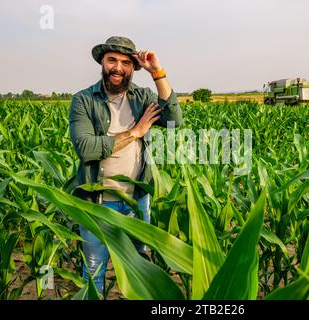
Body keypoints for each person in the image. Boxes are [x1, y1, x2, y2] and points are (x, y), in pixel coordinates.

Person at [68, 36, 183, 294]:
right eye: (112, 60)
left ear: (132, 68)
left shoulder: (142, 97)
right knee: (94, 273)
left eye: (125, 62)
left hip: (136, 201)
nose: (118, 67)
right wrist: (136, 131)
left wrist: (157, 72)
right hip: (96, 203)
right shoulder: (84, 101)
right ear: (102, 63)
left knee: (139, 271)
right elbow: (87, 149)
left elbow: (175, 122)